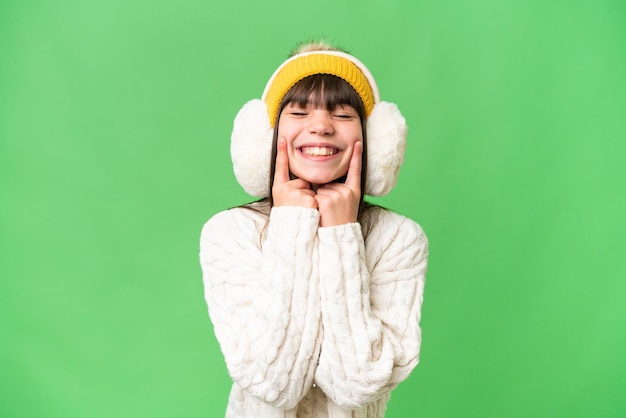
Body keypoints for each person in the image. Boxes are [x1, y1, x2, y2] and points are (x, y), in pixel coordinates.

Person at [199, 41, 428, 418]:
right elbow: (273, 384)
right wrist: (292, 225)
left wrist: (342, 235)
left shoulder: (398, 239)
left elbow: (356, 386)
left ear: (375, 138)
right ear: (265, 139)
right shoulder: (231, 232)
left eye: (342, 114)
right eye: (300, 112)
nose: (320, 126)